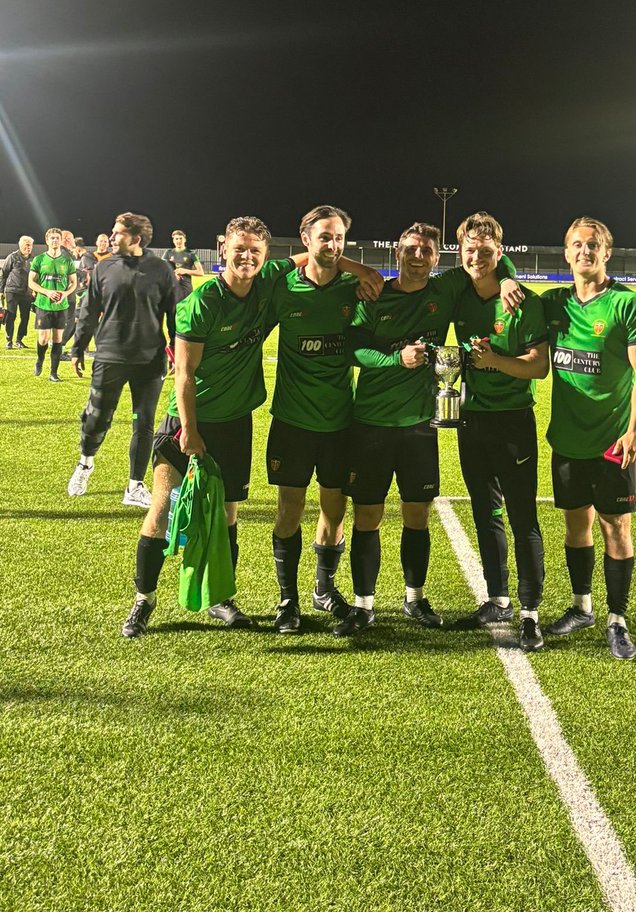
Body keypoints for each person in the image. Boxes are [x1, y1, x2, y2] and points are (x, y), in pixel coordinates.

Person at [120, 215, 382, 639]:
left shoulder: (268, 284)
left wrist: (363, 269)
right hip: (188, 419)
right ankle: (143, 600)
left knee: (226, 515)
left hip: (235, 422)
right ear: (223, 247)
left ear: (265, 256)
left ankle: (221, 598)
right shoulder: (202, 301)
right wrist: (188, 430)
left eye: (254, 252)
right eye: (238, 249)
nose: (246, 257)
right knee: (165, 510)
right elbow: (184, 374)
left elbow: (319, 253)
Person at [337, 221, 522, 637]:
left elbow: (490, 255)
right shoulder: (375, 293)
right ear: (398, 252)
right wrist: (394, 359)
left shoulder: (444, 289)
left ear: (438, 259)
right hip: (371, 422)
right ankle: (364, 605)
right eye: (411, 249)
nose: (418, 257)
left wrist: (508, 275)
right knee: (368, 515)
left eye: (426, 251)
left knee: (417, 515)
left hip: (421, 423)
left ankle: (415, 598)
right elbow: (354, 348)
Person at [540, 217, 636, 661]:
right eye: (577, 245)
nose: (585, 252)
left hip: (614, 440)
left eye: (593, 245)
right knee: (576, 525)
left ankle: (617, 620)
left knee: (616, 527)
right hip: (567, 439)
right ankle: (580, 607)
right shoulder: (553, 304)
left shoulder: (628, 305)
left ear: (606, 253)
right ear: (566, 253)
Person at [452, 212, 549, 653]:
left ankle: (530, 613)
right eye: (470, 249)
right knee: (484, 512)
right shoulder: (459, 295)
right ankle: (498, 598)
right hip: (471, 420)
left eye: (486, 250)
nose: (477, 256)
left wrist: (495, 362)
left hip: (513, 421)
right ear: (461, 252)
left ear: (499, 252)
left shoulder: (524, 302)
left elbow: (539, 366)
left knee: (522, 515)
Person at [265, 205, 360, 634]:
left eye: (339, 237)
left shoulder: (357, 289)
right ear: (306, 241)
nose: (333, 245)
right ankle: (288, 600)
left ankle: (324, 589)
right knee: (289, 511)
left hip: (340, 423)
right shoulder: (282, 289)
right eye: (325, 237)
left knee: (334, 510)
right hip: (292, 421)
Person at [67, 213, 177, 508]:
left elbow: (174, 315)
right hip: (110, 357)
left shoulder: (161, 269)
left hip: (150, 360)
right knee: (96, 418)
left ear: (136, 238)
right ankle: (85, 464)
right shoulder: (104, 268)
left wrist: (177, 351)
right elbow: (88, 311)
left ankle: (135, 486)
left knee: (144, 423)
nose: (112, 237)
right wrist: (77, 348)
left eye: (117, 233)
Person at [28, 228, 77, 382]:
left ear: (61, 241)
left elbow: (74, 283)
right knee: (43, 339)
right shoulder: (39, 260)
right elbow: (31, 282)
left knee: (58, 339)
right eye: (52, 238)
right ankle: (40, 360)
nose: (55, 241)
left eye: (57, 238)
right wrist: (47, 292)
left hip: (61, 307)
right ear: (47, 240)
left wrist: (65, 294)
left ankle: (53, 373)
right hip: (43, 305)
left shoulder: (67, 261)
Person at [1, 235, 35, 349]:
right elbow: (4, 274)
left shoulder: (33, 259)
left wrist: (34, 290)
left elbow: (36, 277)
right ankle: (9, 340)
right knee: (11, 315)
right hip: (13, 291)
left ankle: (19, 340)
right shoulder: (12, 257)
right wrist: (1, 290)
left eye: (30, 245)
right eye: (27, 245)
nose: (29, 248)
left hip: (26, 293)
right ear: (21, 245)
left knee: (25, 317)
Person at [164, 230, 204, 304]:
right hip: (172, 288)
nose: (179, 241)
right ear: (173, 240)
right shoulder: (168, 253)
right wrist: (173, 274)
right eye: (176, 239)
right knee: (172, 313)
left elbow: (201, 272)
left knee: (186, 313)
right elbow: (162, 269)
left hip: (186, 289)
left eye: (180, 238)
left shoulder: (191, 254)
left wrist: (185, 271)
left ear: (184, 240)